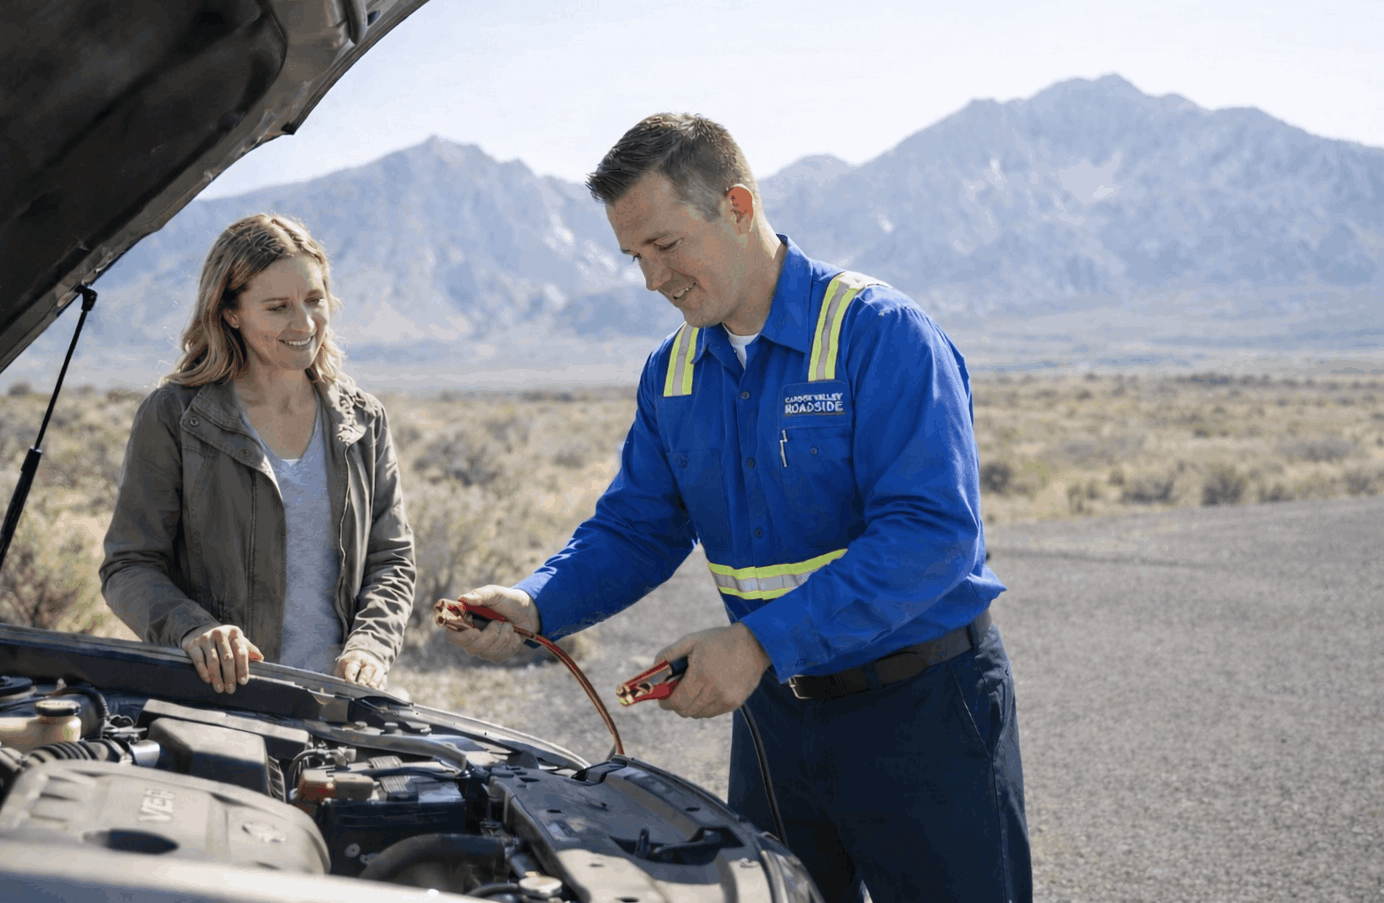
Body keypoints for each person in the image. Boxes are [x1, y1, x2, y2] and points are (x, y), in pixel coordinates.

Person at [442, 114, 1030, 903]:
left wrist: (757, 642)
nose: (654, 279)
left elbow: (932, 537)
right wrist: (533, 602)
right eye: (635, 258)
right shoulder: (673, 371)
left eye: (667, 245)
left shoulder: (881, 335)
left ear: (738, 205)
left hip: (922, 716)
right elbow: (637, 530)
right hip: (777, 726)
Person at [101, 214, 415, 695]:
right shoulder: (176, 416)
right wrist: (192, 628)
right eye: (277, 307)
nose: (304, 323)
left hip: (337, 705)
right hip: (217, 702)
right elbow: (129, 564)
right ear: (230, 312)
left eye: (315, 300)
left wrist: (370, 645)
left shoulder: (362, 420)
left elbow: (391, 559)